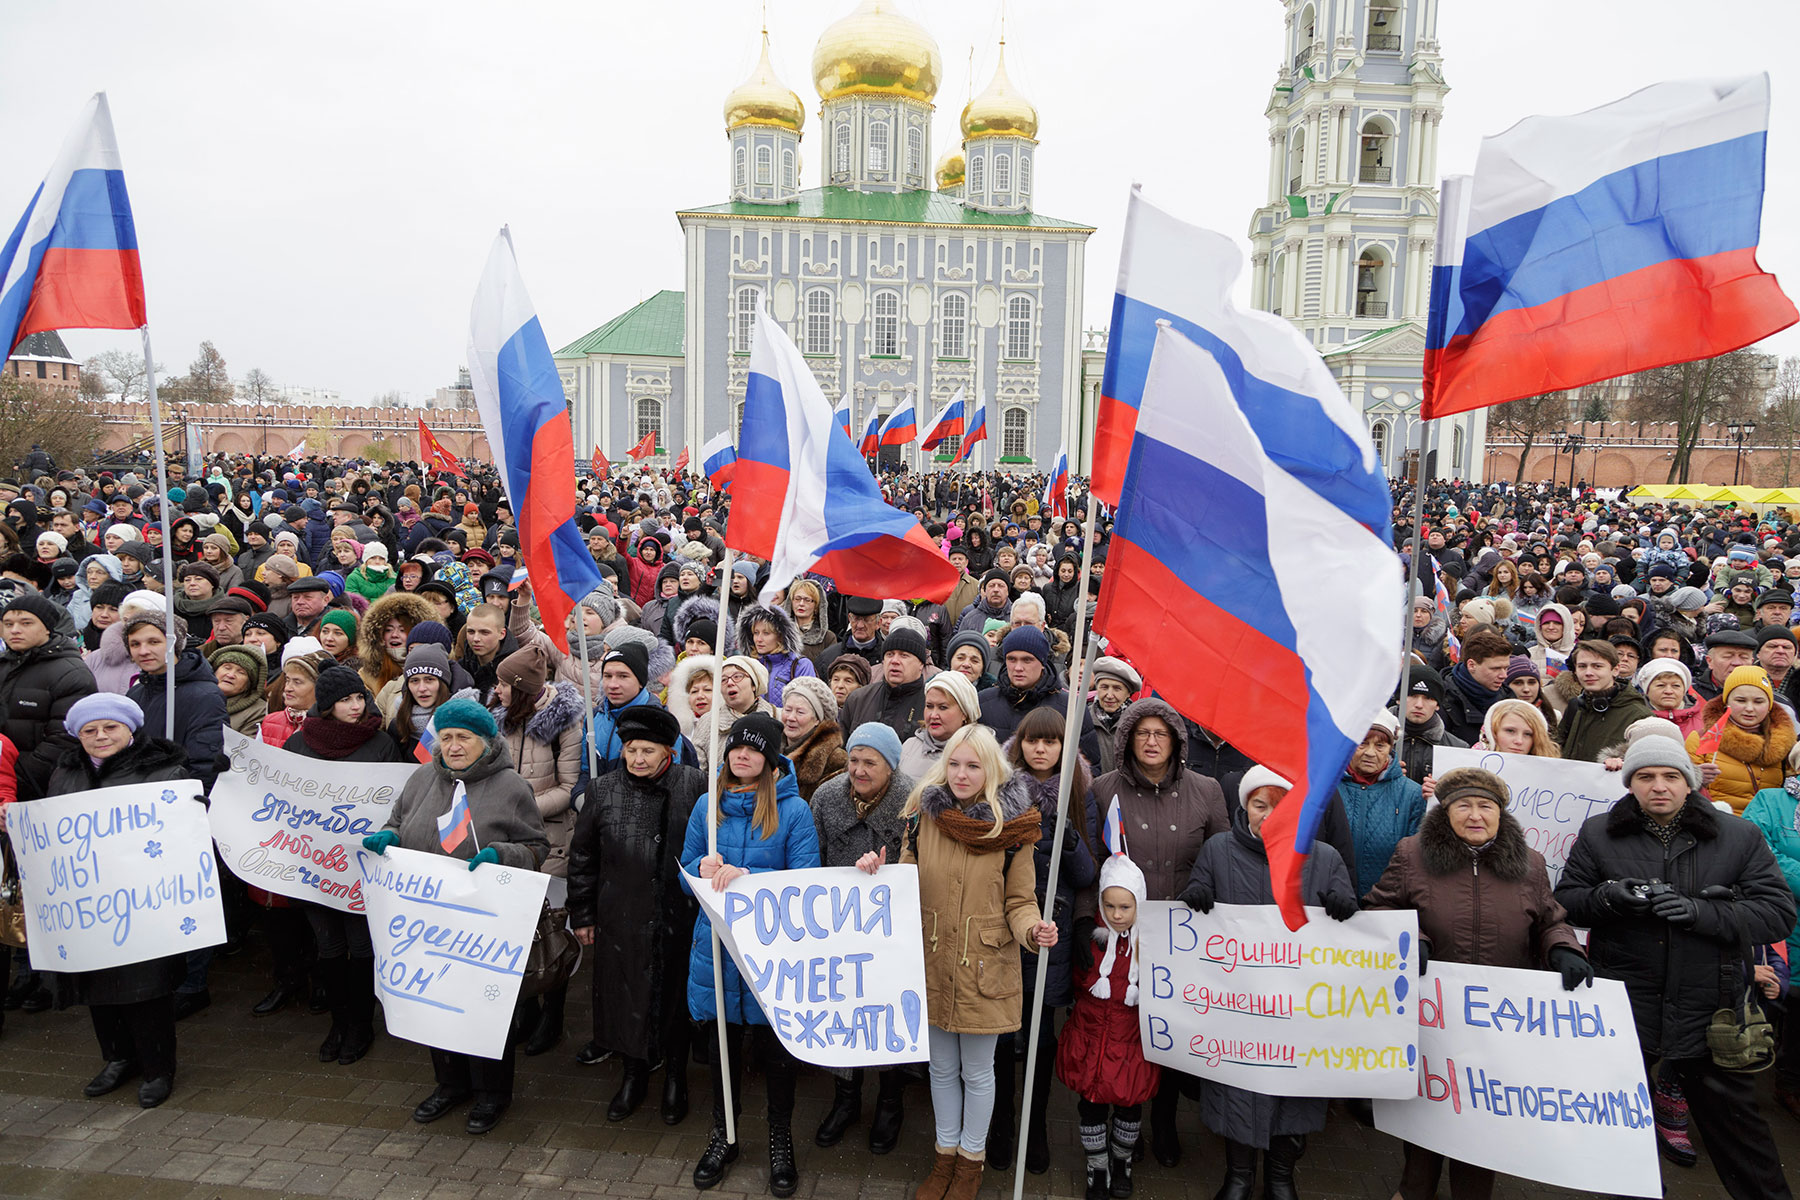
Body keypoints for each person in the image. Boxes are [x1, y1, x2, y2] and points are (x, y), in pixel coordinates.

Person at [1556, 738, 1796, 1200]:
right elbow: (1567, 901)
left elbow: (1776, 914)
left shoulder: (1737, 835)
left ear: (1689, 783)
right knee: (1616, 1128)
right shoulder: (1601, 832)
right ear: (1630, 784)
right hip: (1627, 1004)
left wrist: (1700, 914)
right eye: (1645, 776)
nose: (1659, 786)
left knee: (1742, 1136)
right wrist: (1610, 897)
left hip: (1711, 1007)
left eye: (1671, 776)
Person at [1364, 766, 1590, 1200]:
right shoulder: (1412, 854)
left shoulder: (1530, 863)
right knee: (1428, 1109)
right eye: (1463, 805)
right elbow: (1379, 907)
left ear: (1500, 815)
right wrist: (1414, 942)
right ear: (1445, 813)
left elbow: (1550, 920)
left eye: (1485, 806)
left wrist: (1563, 948)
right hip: (1432, 1014)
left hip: (1497, 1023)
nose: (1474, 815)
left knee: (1483, 1116)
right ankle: (1414, 1192)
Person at [364, 697, 550, 1136]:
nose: (453, 746)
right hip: (427, 922)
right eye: (445, 738)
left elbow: (538, 848)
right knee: (435, 1004)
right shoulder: (422, 778)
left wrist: (501, 854)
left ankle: (492, 1094)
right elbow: (398, 820)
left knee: (482, 1009)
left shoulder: (511, 786)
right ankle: (450, 1084)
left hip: (484, 925)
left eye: (463, 737)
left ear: (486, 741)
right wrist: (387, 836)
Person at [890, 725, 1056, 1200]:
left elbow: (1020, 900)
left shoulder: (1015, 829)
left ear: (991, 770)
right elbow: (904, 882)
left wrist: (1032, 929)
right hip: (933, 960)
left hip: (986, 967)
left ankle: (970, 1162)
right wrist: (873, 873)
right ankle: (944, 1157)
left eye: (973, 765)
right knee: (941, 1069)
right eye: (955, 764)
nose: (962, 774)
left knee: (979, 1072)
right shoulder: (923, 818)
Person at [1181, 768, 1359, 1200]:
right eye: (1261, 804)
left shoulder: (1325, 857)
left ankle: (1282, 1177)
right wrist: (1197, 893)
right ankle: (1238, 1176)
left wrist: (1344, 906)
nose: (1270, 814)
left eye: (1282, 805)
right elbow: (1196, 892)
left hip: (1298, 1010)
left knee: (1292, 1093)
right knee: (1238, 1089)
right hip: (1236, 1007)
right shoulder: (1218, 849)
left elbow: (1349, 926)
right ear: (1245, 807)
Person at [26, 694, 190, 1107]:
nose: (100, 737)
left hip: (144, 901)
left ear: (129, 730)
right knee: (95, 982)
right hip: (88, 903)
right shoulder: (65, 773)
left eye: (109, 727)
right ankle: (118, 1057)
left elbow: (177, 833)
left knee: (146, 987)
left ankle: (157, 1067)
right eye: (89, 730)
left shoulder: (162, 770)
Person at [681, 713, 822, 1194]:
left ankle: (781, 1141)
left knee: (777, 1054)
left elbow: (805, 882)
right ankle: (725, 1135)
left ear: (770, 757)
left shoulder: (794, 811)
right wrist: (701, 868)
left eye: (753, 749)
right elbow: (686, 871)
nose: (742, 755)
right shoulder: (707, 805)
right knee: (725, 1047)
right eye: (736, 748)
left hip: (771, 953)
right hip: (718, 947)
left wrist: (747, 880)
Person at [567, 705, 705, 1121]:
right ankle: (633, 1074)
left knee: (676, 1000)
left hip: (678, 916)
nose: (638, 759)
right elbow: (583, 857)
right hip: (620, 915)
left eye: (648, 750)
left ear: (669, 750)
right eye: (631, 749)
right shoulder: (604, 790)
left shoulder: (695, 785)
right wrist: (583, 914)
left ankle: (676, 1077)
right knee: (624, 996)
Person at [991, 706, 1098, 1174]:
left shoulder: (1079, 791)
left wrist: (1068, 840)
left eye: (1050, 742)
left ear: (1062, 748)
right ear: (1019, 745)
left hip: (1050, 931)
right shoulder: (1001, 790)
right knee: (999, 1034)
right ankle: (1000, 1124)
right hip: (1004, 926)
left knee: (1039, 1034)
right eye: (1032, 741)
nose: (1040, 749)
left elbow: (1088, 873)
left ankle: (1034, 1125)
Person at [284, 665, 402, 1065]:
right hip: (316, 865)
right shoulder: (300, 744)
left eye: (359, 698)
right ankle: (338, 1022)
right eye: (345, 700)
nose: (355, 707)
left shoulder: (380, 743)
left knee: (361, 946)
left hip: (361, 865)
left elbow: (393, 801)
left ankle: (361, 1024)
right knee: (328, 947)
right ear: (327, 705)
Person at [809, 721, 916, 1153]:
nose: (859, 769)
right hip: (838, 930)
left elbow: (920, 864)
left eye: (870, 761)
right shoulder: (826, 798)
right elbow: (810, 862)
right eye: (853, 759)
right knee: (845, 1015)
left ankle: (890, 1102)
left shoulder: (914, 801)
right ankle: (846, 1100)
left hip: (891, 930)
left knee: (885, 1016)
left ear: (890, 766)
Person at [490, 643, 585, 1056]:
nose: (497, 688)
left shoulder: (566, 722)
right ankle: (525, 1006)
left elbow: (567, 788)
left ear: (521, 687)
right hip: (509, 842)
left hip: (552, 840)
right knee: (516, 927)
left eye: (503, 683)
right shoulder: (499, 717)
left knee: (551, 929)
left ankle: (554, 1013)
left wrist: (519, 806)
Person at [1055, 850, 1159, 1200]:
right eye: (1110, 906)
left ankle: (1122, 1161)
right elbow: (1075, 981)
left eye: (1125, 908)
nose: (1116, 915)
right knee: (1092, 1107)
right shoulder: (1091, 943)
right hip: (1092, 1039)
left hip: (1131, 1045)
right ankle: (1096, 1167)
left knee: (1129, 1107)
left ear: (1138, 905)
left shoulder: (1150, 947)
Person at [1744, 743, 1800, 1120]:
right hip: (1781, 920)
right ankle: (1761, 1080)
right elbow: (1759, 850)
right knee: (1777, 999)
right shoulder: (1771, 800)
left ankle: (1791, 1081)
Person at [978, 626, 1102, 765]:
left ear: (1042, 662)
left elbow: (1090, 768)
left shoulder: (1071, 708)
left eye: (1027, 660)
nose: (1018, 667)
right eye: (1012, 659)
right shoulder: (983, 702)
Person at [1684, 664, 1796, 815]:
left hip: (1770, 831)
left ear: (1769, 705)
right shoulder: (1701, 739)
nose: (1749, 708)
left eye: (1758, 701)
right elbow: (1681, 793)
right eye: (1741, 700)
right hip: (1719, 825)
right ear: (1726, 702)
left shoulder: (1787, 743)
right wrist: (1696, 780)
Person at [1337, 712, 1425, 899]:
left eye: (1380, 745)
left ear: (1390, 749)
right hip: (1331, 903)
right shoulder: (1326, 788)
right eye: (1362, 743)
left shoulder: (1411, 794)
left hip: (1386, 906)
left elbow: (1415, 861)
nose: (1370, 753)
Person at [1553, 639, 1654, 762]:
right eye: (1582, 666)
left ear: (1615, 670)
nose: (1588, 673)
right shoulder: (1576, 706)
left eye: (1597, 666)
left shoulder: (1639, 715)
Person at [841, 627, 932, 742]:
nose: (894, 661)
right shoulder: (858, 699)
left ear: (921, 664)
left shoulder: (930, 705)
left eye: (904, 655)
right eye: (889, 654)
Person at [900, 669, 981, 780]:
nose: (933, 715)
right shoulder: (908, 746)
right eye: (929, 706)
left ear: (964, 713)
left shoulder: (980, 753)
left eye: (943, 707)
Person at [1395, 664, 1468, 785]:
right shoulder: (1371, 739)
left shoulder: (1457, 748)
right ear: (1398, 699)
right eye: (1412, 695)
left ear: (1438, 705)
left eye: (1428, 698)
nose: (1419, 704)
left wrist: (1442, 793)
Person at [736, 602, 816, 708]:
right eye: (756, 633)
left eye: (766, 633)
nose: (759, 639)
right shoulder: (747, 666)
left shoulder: (800, 665)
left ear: (780, 636)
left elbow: (807, 706)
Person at [779, 675, 845, 801]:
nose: (791, 718)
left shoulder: (835, 760)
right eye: (787, 710)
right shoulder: (769, 749)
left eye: (800, 712)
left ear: (817, 720)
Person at [1086, 657, 1140, 776]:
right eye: (1104, 687)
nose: (1109, 695)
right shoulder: (1082, 721)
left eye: (1117, 688)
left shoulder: (1138, 724)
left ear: (1128, 694)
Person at [208, 641, 269, 735]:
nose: (231, 675)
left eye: (241, 672)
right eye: (227, 667)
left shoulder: (258, 711)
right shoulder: (194, 696)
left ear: (249, 684)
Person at [1476, 697, 1559, 757]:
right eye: (1510, 731)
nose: (1519, 741)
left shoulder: (1549, 773)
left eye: (1528, 734)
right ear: (1492, 731)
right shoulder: (1469, 765)